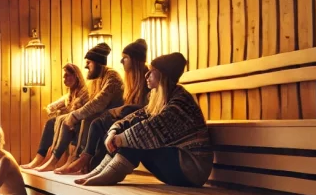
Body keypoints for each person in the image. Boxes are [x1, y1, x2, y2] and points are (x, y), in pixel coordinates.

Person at [74, 52, 213, 187]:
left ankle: (108, 175)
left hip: (192, 170)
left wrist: (119, 139)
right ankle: (100, 172)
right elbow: (136, 117)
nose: (146, 74)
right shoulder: (163, 98)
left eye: (152, 71)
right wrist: (114, 131)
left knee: (136, 138)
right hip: (179, 167)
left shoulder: (180, 103)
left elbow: (151, 129)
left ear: (164, 75)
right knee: (131, 132)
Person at [58, 39, 149, 175]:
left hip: (132, 120)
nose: (121, 61)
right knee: (74, 119)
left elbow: (100, 102)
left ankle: (83, 159)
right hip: (121, 119)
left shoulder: (141, 77)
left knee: (94, 121)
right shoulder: (126, 79)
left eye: (125, 58)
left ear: (134, 60)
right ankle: (73, 159)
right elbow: (90, 100)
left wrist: (77, 114)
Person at [32, 42, 124, 172]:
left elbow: (98, 103)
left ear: (98, 62)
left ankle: (74, 159)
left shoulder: (112, 77)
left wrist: (75, 115)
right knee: (60, 120)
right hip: (101, 116)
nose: (86, 66)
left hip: (112, 117)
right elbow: (84, 102)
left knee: (85, 118)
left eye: (89, 62)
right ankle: (52, 159)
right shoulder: (97, 79)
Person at [20, 64, 88, 169]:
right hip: (71, 121)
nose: (64, 79)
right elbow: (60, 102)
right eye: (64, 76)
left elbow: (81, 109)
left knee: (64, 122)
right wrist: (51, 108)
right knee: (50, 123)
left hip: (80, 123)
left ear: (76, 76)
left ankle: (54, 160)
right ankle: (39, 157)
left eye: (67, 75)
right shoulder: (71, 93)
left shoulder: (84, 92)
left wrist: (65, 114)